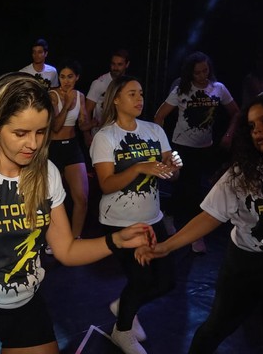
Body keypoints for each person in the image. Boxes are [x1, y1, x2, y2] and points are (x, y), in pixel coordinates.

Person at [0, 72, 156, 354]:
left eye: (40, 131)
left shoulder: (46, 174)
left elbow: (65, 250)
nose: (33, 144)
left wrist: (116, 241)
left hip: (26, 304)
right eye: (20, 133)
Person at [137, 92, 263, 354]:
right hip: (248, 267)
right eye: (253, 126)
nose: (258, 131)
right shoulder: (244, 174)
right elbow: (210, 216)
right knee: (216, 327)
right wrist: (166, 247)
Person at [90, 75, 183, 354]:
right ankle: (123, 331)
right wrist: (138, 168)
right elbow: (106, 185)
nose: (139, 98)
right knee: (141, 280)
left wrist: (174, 167)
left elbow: (172, 174)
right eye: (132, 94)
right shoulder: (105, 137)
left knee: (167, 281)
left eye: (140, 93)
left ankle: (124, 307)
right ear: (116, 99)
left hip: (153, 218)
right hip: (119, 222)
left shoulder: (155, 130)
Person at [154, 51, 240, 253]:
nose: (202, 76)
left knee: (193, 188)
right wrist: (163, 146)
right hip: (182, 145)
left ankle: (170, 215)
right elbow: (159, 116)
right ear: (190, 74)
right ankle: (194, 235)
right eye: (198, 73)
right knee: (188, 187)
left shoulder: (218, 88)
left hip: (205, 146)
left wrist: (229, 135)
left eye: (205, 71)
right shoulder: (181, 90)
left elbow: (236, 113)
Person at [48, 60, 90, 240]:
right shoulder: (51, 95)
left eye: (70, 77)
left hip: (72, 147)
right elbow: (55, 127)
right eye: (63, 77)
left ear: (77, 78)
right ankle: (52, 239)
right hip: (53, 148)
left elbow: (83, 124)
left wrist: (97, 121)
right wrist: (66, 104)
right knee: (51, 199)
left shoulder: (80, 96)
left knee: (81, 197)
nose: (65, 81)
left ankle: (75, 238)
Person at [85, 49, 131, 145]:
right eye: (113, 64)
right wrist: (86, 135)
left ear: (127, 64)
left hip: (122, 133)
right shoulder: (99, 83)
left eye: (119, 64)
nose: (115, 68)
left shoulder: (129, 84)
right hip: (100, 133)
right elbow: (87, 110)